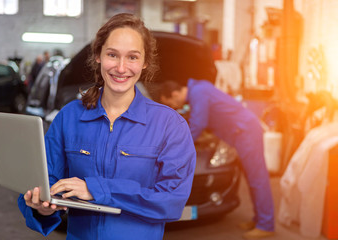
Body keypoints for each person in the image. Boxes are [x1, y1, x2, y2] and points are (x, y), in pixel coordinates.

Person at [17, 13, 196, 240]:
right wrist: (41, 207)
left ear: (145, 62)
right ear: (98, 55)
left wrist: (96, 189)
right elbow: (45, 182)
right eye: (112, 55)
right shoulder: (69, 117)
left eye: (132, 57)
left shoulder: (169, 125)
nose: (121, 68)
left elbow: (172, 201)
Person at [158, 79, 275, 239]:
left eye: (171, 103)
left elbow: (198, 123)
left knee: (257, 179)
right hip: (241, 133)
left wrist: (180, 146)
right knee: (251, 178)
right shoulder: (197, 91)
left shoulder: (198, 92)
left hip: (246, 132)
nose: (174, 107)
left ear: (175, 94)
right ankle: (259, 219)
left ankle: (266, 225)